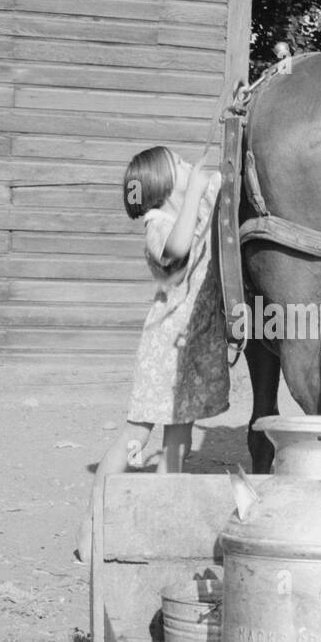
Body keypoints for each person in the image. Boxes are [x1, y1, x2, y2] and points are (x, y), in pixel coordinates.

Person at [77, 145, 229, 562]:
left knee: (178, 443)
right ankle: (93, 527)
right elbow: (177, 250)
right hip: (164, 352)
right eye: (179, 165)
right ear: (163, 187)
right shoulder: (159, 224)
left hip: (191, 351)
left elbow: (224, 188)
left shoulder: (193, 209)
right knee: (136, 440)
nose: (188, 167)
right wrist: (196, 193)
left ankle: (161, 528)